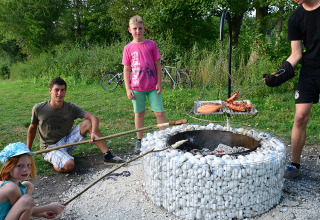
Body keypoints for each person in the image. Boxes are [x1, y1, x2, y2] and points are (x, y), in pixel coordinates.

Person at [263, 0, 320, 179]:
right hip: (309, 72)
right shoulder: (296, 17)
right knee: (300, 116)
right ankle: (295, 164)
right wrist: (279, 75)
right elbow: (296, 54)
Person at [27, 77, 124, 173]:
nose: (59, 94)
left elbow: (93, 117)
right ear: (50, 91)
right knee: (69, 165)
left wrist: (93, 132)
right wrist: (27, 151)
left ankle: (108, 156)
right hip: (49, 147)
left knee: (88, 123)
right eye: (56, 90)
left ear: (65, 91)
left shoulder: (71, 107)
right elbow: (32, 129)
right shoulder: (39, 108)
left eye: (62, 90)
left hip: (66, 141)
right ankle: (56, 161)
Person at [122, 15, 167, 154]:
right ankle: (139, 140)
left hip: (153, 86)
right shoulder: (128, 48)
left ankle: (165, 137)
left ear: (144, 29)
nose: (137, 31)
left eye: (140, 28)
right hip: (136, 88)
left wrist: (159, 82)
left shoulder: (151, 44)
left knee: (159, 112)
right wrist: (128, 88)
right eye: (135, 28)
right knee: (139, 113)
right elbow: (126, 69)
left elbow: (157, 64)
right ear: (130, 30)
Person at [0, 142, 65, 219]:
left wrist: (42, 214)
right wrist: (50, 207)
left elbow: (20, 210)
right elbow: (25, 206)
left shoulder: (13, 183)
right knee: (27, 200)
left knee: (28, 185)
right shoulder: (11, 188)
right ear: (8, 167)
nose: (25, 169)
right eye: (19, 166)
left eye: (28, 165)